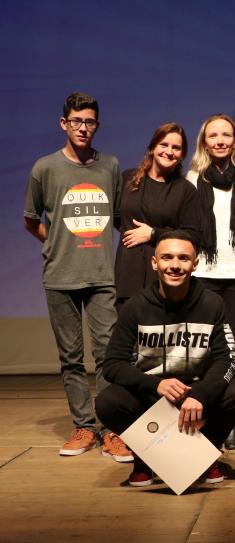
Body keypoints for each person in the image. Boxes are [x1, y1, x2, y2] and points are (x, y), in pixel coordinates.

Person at [96, 230, 235, 487]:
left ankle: (205, 456)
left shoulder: (212, 303)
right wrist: (154, 384)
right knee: (107, 402)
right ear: (155, 262)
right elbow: (112, 364)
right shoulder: (135, 307)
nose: (175, 265)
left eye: (183, 258)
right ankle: (145, 458)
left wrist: (200, 393)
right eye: (167, 258)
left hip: (196, 394)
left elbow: (228, 360)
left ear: (195, 263)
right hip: (154, 394)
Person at [23, 91, 130, 461]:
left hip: (102, 275)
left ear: (97, 126)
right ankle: (84, 427)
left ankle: (111, 428)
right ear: (63, 123)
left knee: (107, 355)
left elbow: (118, 218)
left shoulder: (110, 165)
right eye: (77, 121)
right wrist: (54, 243)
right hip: (60, 276)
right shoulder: (45, 168)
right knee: (70, 357)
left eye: (90, 122)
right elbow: (30, 219)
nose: (83, 128)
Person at [187, 114, 235, 450]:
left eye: (226, 135)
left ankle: (234, 423)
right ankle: (210, 412)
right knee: (212, 348)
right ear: (204, 141)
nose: (219, 140)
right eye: (212, 135)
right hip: (205, 273)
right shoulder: (193, 178)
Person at [116, 123, 199, 307]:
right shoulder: (128, 179)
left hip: (166, 280)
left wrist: (153, 233)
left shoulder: (186, 190)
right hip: (127, 275)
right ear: (152, 148)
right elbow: (116, 218)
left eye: (176, 148)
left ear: (182, 155)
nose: (169, 151)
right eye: (164, 145)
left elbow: (192, 235)